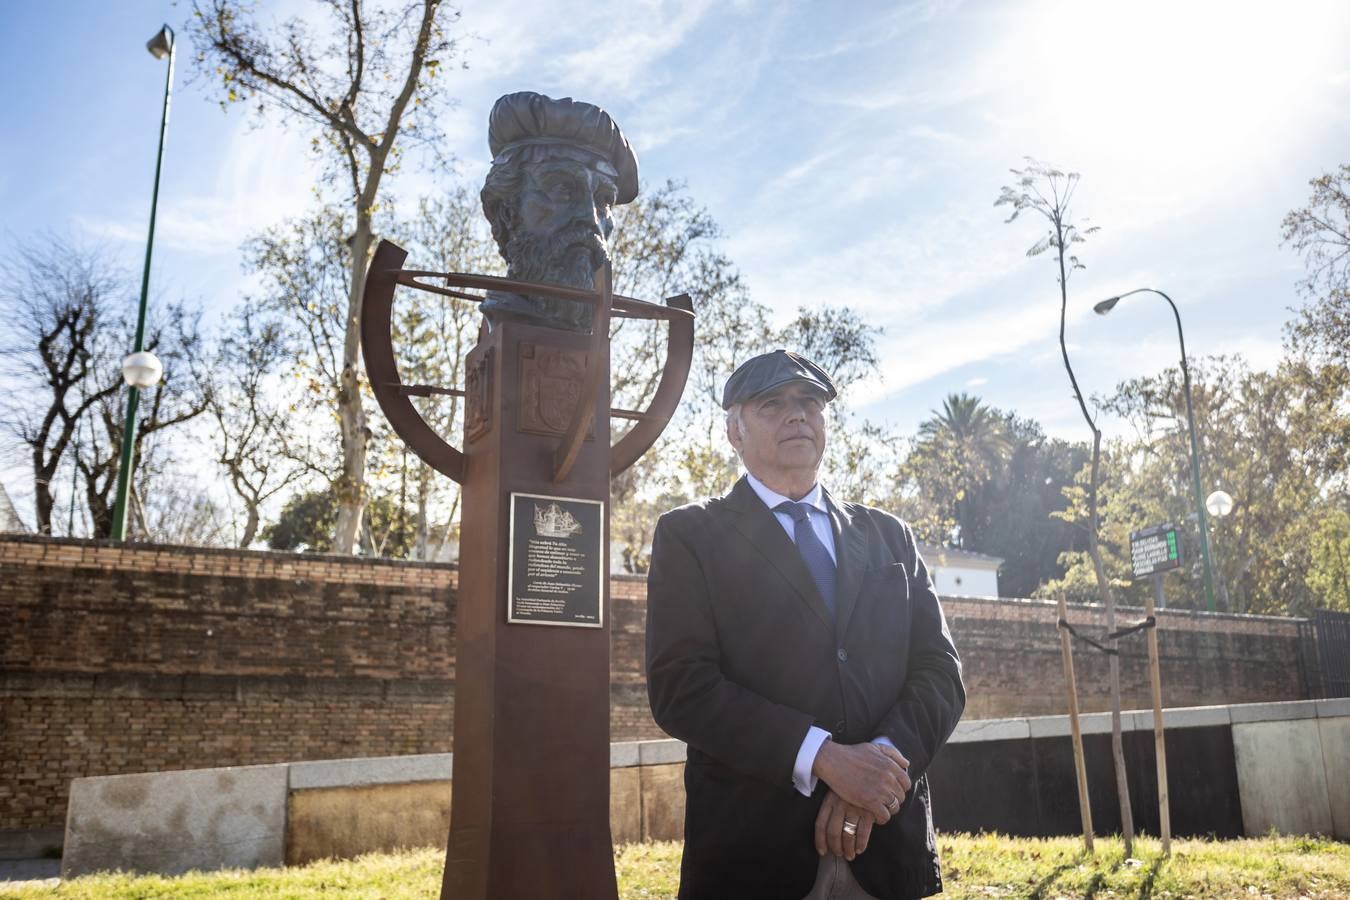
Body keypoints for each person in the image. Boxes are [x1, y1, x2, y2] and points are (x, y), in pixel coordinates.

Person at [646, 349, 965, 899]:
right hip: (754, 855)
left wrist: (877, 774)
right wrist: (825, 758)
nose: (796, 414)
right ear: (734, 432)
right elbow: (682, 688)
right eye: (771, 404)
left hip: (887, 849)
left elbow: (940, 673)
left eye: (810, 402)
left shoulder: (889, 536)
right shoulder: (690, 536)